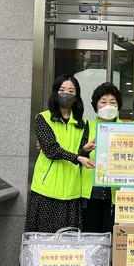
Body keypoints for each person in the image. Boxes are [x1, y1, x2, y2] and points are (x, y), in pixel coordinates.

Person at [25, 74, 94, 234]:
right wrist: (78, 157)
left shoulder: (83, 123)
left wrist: (85, 150)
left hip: (71, 191)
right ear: (55, 93)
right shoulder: (43, 118)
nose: (66, 94)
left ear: (76, 96)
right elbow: (51, 150)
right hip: (46, 189)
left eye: (71, 91)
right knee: (43, 240)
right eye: (62, 90)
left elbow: (80, 156)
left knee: (68, 242)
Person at [81, 82, 122, 234]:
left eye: (113, 102)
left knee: (116, 236)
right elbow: (75, 153)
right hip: (91, 192)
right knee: (91, 235)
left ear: (118, 105)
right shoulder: (85, 127)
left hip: (117, 193)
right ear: (96, 105)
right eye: (103, 102)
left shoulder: (128, 129)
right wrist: (85, 150)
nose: (108, 106)